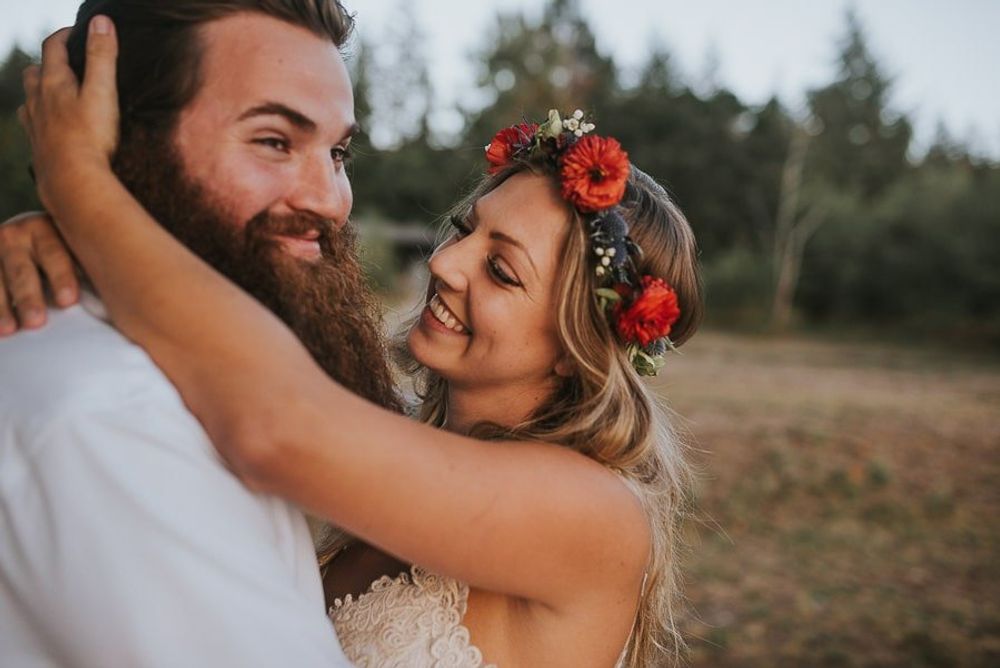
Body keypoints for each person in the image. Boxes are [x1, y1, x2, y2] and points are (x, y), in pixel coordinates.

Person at [8, 17, 705, 668]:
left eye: (500, 270)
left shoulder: (594, 516)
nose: (443, 263)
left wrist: (85, 190)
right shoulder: (381, 427)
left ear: (574, 345)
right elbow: (229, 355)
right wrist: (76, 252)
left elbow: (273, 419)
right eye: (467, 229)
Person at [0, 1, 396, 666]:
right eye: (274, 141)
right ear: (120, 145)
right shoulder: (115, 421)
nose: (329, 199)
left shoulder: (209, 373)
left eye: (338, 151)